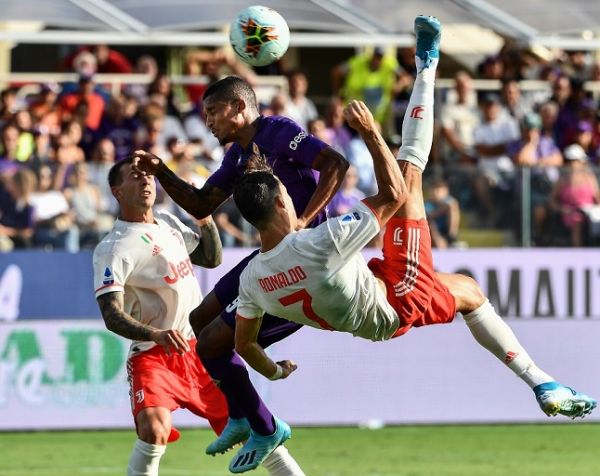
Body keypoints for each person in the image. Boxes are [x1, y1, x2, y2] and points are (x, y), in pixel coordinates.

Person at [230, 16, 597, 465]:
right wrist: (368, 134)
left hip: (375, 309)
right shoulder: (316, 244)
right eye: (286, 192)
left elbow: (244, 344)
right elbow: (393, 195)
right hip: (397, 294)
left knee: (468, 292)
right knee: (410, 173)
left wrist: (275, 370)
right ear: (281, 204)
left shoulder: (252, 277)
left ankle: (543, 382)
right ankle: (428, 65)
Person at [132, 75, 347, 473]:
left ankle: (265, 427)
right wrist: (162, 171)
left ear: (238, 107)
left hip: (305, 261)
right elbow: (201, 203)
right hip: (270, 255)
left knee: (213, 343)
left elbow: (335, 163)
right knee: (199, 322)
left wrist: (302, 220)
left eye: (213, 112)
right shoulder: (236, 156)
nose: (209, 121)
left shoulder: (277, 131)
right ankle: (242, 415)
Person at [93, 157, 305, 476]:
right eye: (135, 177)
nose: (146, 180)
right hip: (155, 355)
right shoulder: (113, 247)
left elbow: (210, 257)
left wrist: (204, 218)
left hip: (201, 351)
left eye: (148, 175)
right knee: (154, 428)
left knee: (257, 429)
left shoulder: (167, 221)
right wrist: (154, 334)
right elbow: (111, 314)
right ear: (117, 191)